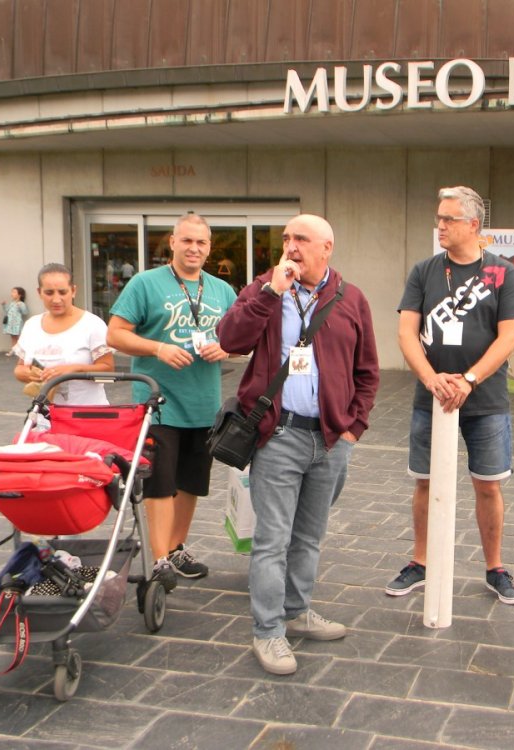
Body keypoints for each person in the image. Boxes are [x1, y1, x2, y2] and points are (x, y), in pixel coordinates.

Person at [216, 214, 379, 676]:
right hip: (278, 434)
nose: (291, 246)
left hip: (329, 438)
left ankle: (297, 610)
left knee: (309, 536)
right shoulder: (264, 290)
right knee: (272, 540)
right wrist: (270, 293)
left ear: (326, 248)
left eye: (301, 239)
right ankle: (268, 630)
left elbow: (367, 370)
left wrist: (353, 428)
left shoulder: (351, 299)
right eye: (286, 238)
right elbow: (230, 339)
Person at [386, 185, 514, 604]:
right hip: (431, 397)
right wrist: (431, 378)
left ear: (472, 224)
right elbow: (406, 333)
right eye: (439, 218)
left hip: (486, 400)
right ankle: (420, 562)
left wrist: (469, 379)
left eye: (449, 218)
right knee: (425, 483)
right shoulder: (424, 271)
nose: (440, 225)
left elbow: (508, 338)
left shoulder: (503, 272)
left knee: (488, 486)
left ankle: (495, 568)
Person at [107, 213, 237, 592]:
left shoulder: (222, 290)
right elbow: (115, 334)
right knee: (160, 484)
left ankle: (177, 548)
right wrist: (158, 348)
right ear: (173, 242)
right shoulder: (145, 283)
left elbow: (241, 337)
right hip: (158, 403)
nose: (194, 248)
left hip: (204, 404)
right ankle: (159, 558)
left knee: (191, 482)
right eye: (187, 241)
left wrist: (225, 348)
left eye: (201, 242)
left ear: (209, 247)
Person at [14, 264, 113, 404]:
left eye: (62, 292)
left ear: (73, 291)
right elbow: (20, 367)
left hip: (86, 412)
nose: (56, 299)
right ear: (39, 292)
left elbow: (108, 371)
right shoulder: (32, 325)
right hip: (43, 414)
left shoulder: (92, 324)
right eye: (49, 293)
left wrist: (74, 369)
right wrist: (26, 373)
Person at [3, 286, 29, 355]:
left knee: (19, 337)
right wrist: (4, 305)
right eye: (12, 292)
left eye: (14, 292)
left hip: (17, 323)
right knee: (13, 337)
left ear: (20, 295)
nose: (12, 294)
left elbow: (25, 312)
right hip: (11, 323)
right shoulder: (12, 303)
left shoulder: (21, 303)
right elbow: (7, 311)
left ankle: (21, 351)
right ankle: (13, 349)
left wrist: (20, 306)